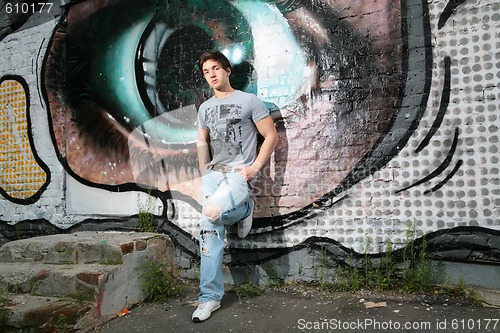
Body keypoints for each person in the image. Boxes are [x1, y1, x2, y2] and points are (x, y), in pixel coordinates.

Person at [192, 51, 279, 323]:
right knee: (210, 231)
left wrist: (255, 167)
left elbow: (271, 136)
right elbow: (201, 141)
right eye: (207, 72)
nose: (212, 74)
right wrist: (204, 170)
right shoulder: (205, 108)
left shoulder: (249, 101)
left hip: (238, 176)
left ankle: (245, 206)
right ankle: (210, 298)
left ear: (227, 70)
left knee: (211, 213)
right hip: (214, 175)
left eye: (216, 68)